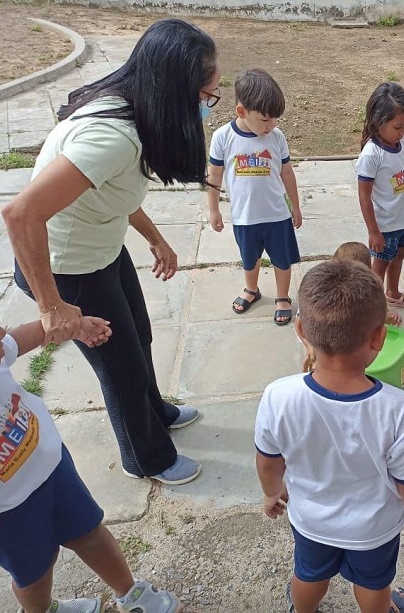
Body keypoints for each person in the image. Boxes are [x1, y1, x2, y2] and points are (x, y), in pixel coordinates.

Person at [2, 18, 220, 485]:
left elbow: (110, 190)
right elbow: (20, 214)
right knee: (122, 368)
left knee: (139, 336)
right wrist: (51, 307)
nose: (207, 106)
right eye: (206, 96)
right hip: (67, 269)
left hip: (100, 248)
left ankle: (156, 413)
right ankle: (146, 459)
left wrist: (155, 237)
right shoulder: (113, 137)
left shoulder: (134, 110)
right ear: (176, 90)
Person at [256, 260, 404, 613]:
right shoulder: (399, 409)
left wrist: (272, 492)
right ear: (379, 338)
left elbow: (269, 461)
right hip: (374, 529)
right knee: (373, 584)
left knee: (308, 575)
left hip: (311, 521)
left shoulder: (278, 396)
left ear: (301, 329)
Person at [0, 317, 182, 613]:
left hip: (51, 465)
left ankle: (129, 592)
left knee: (89, 532)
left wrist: (72, 325)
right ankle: (43, 610)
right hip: (8, 509)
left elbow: (18, 339)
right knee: (35, 570)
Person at [207, 68, 302, 324]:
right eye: (265, 120)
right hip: (244, 217)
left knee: (282, 260)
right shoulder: (222, 137)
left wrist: (295, 206)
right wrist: (213, 209)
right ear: (241, 111)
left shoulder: (276, 137)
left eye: (275, 119)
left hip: (277, 215)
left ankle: (282, 296)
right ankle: (251, 289)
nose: (271, 126)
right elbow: (214, 175)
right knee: (249, 259)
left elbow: (287, 173)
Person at [356, 82, 404, 310]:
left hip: (403, 220)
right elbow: (364, 197)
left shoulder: (403, 143)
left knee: (400, 254)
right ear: (378, 122)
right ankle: (376, 305)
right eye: (397, 127)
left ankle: (392, 293)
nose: (402, 131)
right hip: (385, 225)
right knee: (381, 263)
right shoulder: (371, 155)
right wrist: (373, 231)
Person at [297, 241, 402, 373]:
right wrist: (309, 346)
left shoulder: (369, 294)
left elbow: (372, 316)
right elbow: (301, 321)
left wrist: (385, 318)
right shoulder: (318, 295)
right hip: (323, 344)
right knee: (319, 365)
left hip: (351, 344)